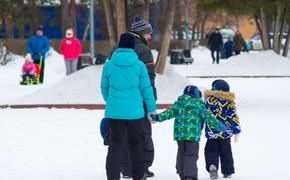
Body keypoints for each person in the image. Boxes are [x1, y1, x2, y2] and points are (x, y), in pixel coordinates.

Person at [101, 33, 156, 180]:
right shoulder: (139, 65)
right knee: (135, 143)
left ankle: (112, 177)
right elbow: (146, 89)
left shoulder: (109, 65)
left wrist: (112, 102)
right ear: (132, 46)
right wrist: (152, 110)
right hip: (135, 113)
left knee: (115, 144)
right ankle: (137, 176)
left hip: (114, 112)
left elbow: (104, 88)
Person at [150, 85, 226, 180]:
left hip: (180, 135)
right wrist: (219, 126)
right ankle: (190, 176)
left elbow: (168, 113)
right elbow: (208, 117)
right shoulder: (199, 105)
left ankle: (182, 172)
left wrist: (157, 117)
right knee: (191, 154)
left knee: (181, 153)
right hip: (193, 136)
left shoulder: (179, 104)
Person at [203, 79, 241, 179]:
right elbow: (233, 116)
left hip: (212, 134)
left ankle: (212, 165)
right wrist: (236, 128)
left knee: (211, 151)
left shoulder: (207, 101)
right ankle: (227, 172)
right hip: (225, 134)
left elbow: (203, 114)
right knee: (226, 152)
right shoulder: (229, 102)